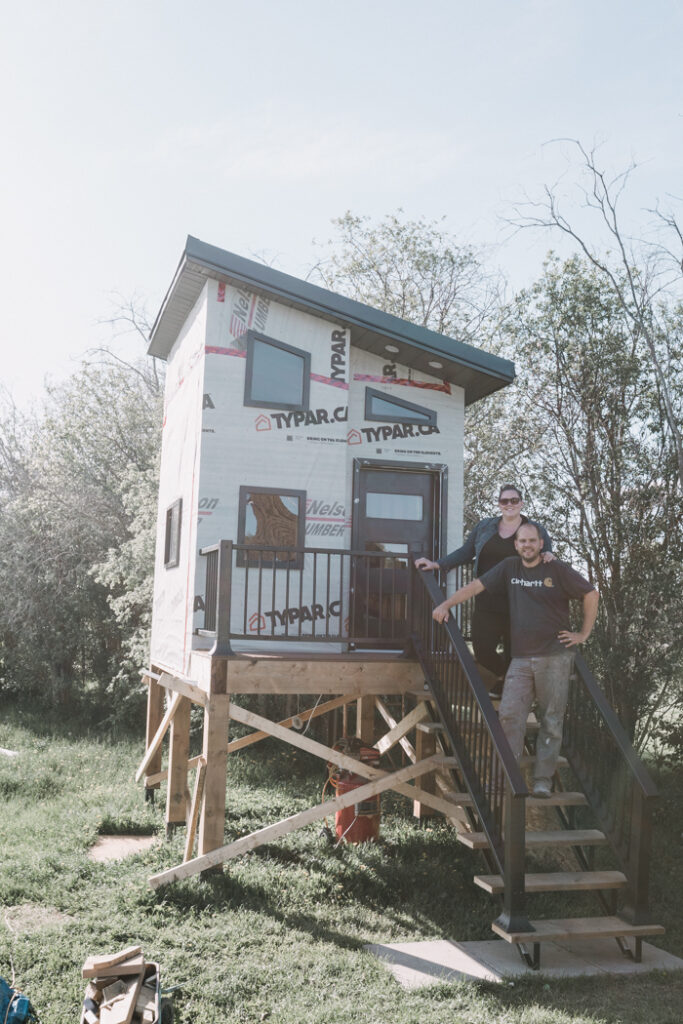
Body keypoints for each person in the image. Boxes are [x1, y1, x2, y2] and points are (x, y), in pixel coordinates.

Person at [432, 522, 599, 798]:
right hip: (520, 660)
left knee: (551, 720)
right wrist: (447, 604)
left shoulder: (555, 569)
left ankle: (543, 780)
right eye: (522, 541)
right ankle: (506, 780)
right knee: (509, 716)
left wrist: (583, 633)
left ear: (541, 543)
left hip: (555, 657)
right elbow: (476, 586)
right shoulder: (510, 567)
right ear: (516, 544)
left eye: (532, 541)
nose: (527, 545)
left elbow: (590, 593)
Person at [414, 485, 554, 689]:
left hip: (520, 600)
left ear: (521, 503)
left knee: (514, 650)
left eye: (514, 500)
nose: (509, 505)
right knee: (482, 650)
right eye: (504, 501)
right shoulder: (484, 527)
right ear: (499, 504)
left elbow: (547, 555)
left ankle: (509, 687)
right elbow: (466, 552)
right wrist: (438, 564)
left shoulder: (535, 529)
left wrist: (549, 556)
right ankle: (508, 678)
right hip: (486, 597)